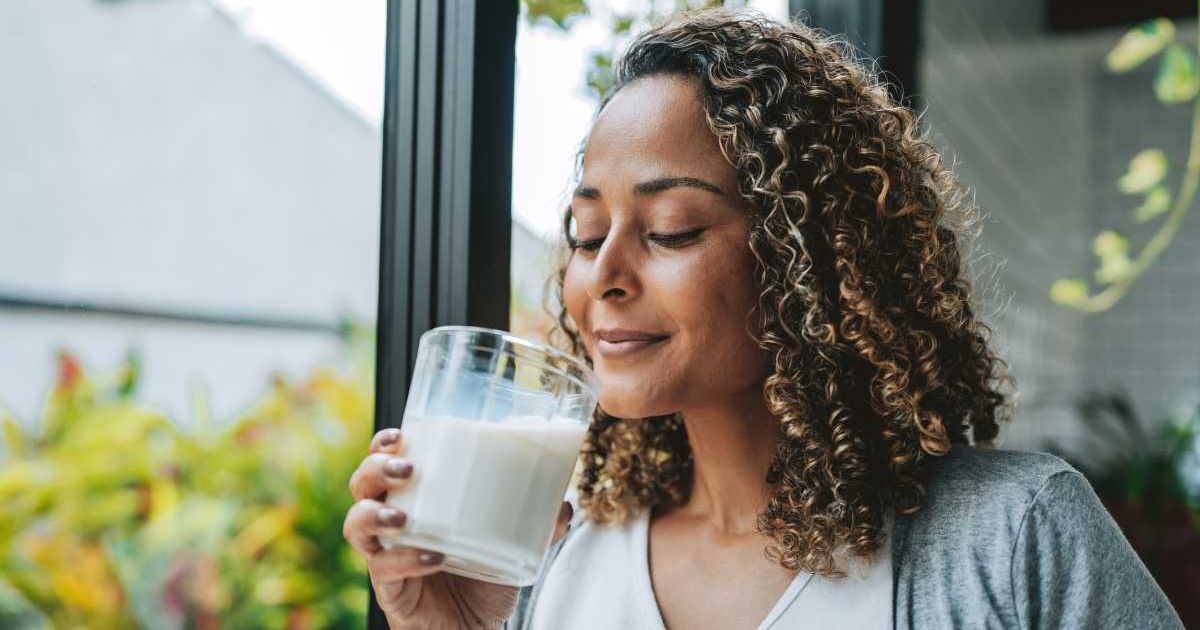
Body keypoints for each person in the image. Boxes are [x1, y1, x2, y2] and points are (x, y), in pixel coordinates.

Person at [344, 8, 1185, 629]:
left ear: (808, 252)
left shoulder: (1011, 540)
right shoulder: (552, 568)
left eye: (670, 229)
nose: (601, 275)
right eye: (586, 232)